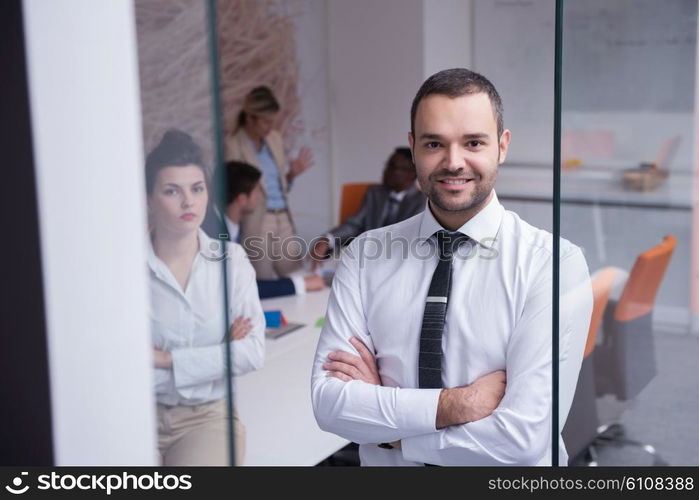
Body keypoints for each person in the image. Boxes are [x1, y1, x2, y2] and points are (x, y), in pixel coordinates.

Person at [311, 68, 593, 466]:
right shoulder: (364, 256)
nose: (453, 162)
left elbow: (524, 438)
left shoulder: (552, 265)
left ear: (502, 146)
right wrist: (458, 405)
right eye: (434, 144)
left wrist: (394, 437)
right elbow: (329, 404)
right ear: (413, 149)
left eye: (474, 142)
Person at [146, 129, 265, 466]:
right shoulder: (124, 269)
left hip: (206, 418)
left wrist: (163, 358)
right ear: (149, 199)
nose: (188, 202)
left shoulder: (232, 260)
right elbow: (116, 358)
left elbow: (251, 352)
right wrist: (216, 356)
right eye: (172, 191)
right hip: (131, 410)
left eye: (197, 189)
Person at [226, 86, 313, 280]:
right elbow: (235, 187)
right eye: (266, 122)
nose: (270, 127)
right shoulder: (233, 145)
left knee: (296, 276)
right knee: (261, 279)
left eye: (272, 122)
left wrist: (291, 176)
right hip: (257, 218)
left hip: (283, 216)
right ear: (250, 119)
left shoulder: (274, 139)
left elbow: (278, 184)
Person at [222, 160, 325, 298]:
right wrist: (300, 284)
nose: (261, 197)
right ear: (241, 199)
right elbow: (239, 288)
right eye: (258, 190)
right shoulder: (218, 235)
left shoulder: (234, 229)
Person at [310, 148, 426, 265]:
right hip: (363, 259)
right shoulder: (374, 193)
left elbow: (410, 240)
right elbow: (354, 224)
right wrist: (328, 239)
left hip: (398, 263)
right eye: (387, 165)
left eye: (392, 167)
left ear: (412, 173)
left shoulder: (422, 202)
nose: (385, 171)